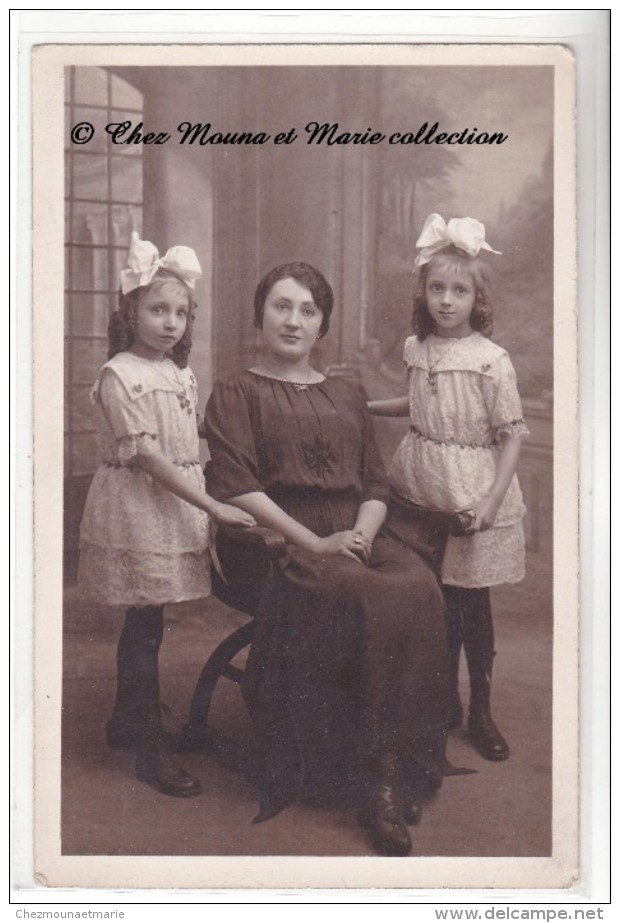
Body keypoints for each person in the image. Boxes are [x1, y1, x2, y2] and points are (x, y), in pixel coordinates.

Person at [203, 261, 450, 857]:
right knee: (368, 595)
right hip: (276, 540)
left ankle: (393, 766)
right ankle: (374, 783)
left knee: (417, 586)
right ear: (260, 314)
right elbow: (236, 487)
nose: (294, 320)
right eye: (282, 306)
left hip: (355, 534)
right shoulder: (236, 392)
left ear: (323, 325)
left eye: (308, 310)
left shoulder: (347, 392)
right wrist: (313, 542)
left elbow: (373, 481)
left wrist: (363, 535)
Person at [78, 233, 255, 798]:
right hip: (140, 504)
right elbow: (149, 455)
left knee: (150, 621)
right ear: (130, 312)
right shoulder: (120, 375)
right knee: (143, 621)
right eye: (157, 309)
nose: (170, 322)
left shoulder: (180, 373)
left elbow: (185, 435)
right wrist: (212, 506)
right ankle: (148, 747)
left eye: (180, 312)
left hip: (172, 500)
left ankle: (128, 720)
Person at [369, 213, 528, 762]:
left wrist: (489, 501)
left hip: (469, 492)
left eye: (459, 291)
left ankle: (480, 708)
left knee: (470, 604)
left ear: (476, 298)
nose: (446, 300)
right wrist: (360, 407)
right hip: (420, 485)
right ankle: (443, 700)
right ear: (424, 292)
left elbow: (510, 436)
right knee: (431, 600)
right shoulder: (420, 348)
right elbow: (415, 406)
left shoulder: (490, 360)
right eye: (437, 288)